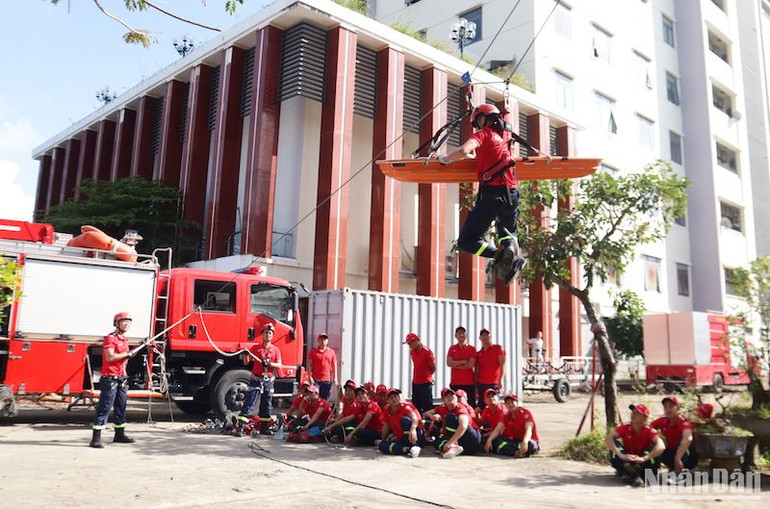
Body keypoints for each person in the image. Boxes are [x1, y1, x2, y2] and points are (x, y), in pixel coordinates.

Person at [437, 103, 525, 284]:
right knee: (507, 233)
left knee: (466, 241)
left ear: (483, 118)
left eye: (478, 121)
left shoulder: (483, 134)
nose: (477, 126)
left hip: (492, 195)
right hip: (513, 194)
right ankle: (509, 249)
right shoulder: (505, 139)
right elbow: (490, 156)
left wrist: (445, 159)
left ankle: (499, 255)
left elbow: (463, 150)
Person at [90, 312, 151, 448]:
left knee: (121, 408)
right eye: (124, 322)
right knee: (104, 408)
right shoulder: (110, 339)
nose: (126, 324)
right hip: (110, 378)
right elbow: (110, 357)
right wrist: (127, 354)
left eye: (128, 322)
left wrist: (141, 346)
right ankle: (96, 438)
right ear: (117, 323)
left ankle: (119, 434)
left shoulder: (124, 339)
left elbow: (127, 356)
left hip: (122, 378)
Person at [235, 322, 283, 437]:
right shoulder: (256, 348)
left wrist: (269, 363)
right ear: (262, 334)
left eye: (270, 333)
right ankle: (240, 427)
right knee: (250, 401)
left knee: (267, 404)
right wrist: (245, 354)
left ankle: (263, 428)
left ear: (273, 335)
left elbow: (279, 365)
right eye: (266, 333)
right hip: (256, 379)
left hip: (268, 380)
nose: (268, 335)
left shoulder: (275, 350)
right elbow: (246, 362)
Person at [605, 403, 665, 487]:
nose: (633, 414)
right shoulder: (625, 427)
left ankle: (630, 473)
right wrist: (621, 455)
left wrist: (644, 458)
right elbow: (608, 439)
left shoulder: (649, 430)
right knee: (614, 444)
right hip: (628, 459)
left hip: (643, 461)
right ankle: (632, 473)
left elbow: (661, 446)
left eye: (637, 413)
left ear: (644, 417)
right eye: (633, 412)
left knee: (654, 448)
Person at [424, 387, 482, 458]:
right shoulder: (442, 408)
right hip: (463, 445)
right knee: (436, 442)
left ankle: (451, 445)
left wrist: (450, 443)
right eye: (447, 396)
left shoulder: (461, 408)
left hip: (472, 439)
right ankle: (452, 449)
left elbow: (463, 426)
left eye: (452, 395)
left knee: (450, 417)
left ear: (456, 398)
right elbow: (425, 414)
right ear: (443, 400)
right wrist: (432, 416)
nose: (450, 397)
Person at [650, 396, 697, 473]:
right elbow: (647, 429)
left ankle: (680, 471)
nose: (668, 410)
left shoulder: (684, 422)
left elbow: (688, 438)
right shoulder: (663, 421)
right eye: (665, 407)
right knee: (654, 444)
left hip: (687, 457)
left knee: (682, 441)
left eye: (671, 406)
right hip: (671, 453)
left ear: (678, 408)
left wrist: (677, 459)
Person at [484, 393, 539, 458]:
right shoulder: (506, 416)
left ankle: (520, 450)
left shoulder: (525, 413)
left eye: (512, 402)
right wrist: (489, 440)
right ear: (506, 405)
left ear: (517, 402)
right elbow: (497, 429)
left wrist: (525, 441)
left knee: (531, 445)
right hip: (516, 442)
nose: (510, 404)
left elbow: (529, 430)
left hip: (528, 440)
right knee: (497, 441)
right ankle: (516, 453)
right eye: (507, 403)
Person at [379, 389, 424, 458]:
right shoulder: (386, 411)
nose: (394, 399)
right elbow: (385, 426)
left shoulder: (405, 407)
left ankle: (414, 446)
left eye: (395, 396)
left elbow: (414, 418)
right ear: (387, 401)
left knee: (405, 420)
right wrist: (383, 440)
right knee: (381, 445)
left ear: (399, 398)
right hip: (402, 439)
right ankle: (407, 449)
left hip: (415, 436)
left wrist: (413, 429)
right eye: (391, 398)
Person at [404, 333, 436, 415]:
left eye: (410, 343)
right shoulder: (412, 352)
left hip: (425, 383)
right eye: (408, 344)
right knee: (416, 406)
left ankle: (428, 426)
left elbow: (433, 368)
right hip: (415, 382)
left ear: (417, 341)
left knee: (427, 406)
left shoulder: (427, 352)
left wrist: (427, 376)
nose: (410, 346)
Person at [475, 328, 506, 409]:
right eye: (483, 335)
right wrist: (475, 386)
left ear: (490, 336)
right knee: (481, 406)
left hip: (494, 384)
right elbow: (477, 371)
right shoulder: (478, 354)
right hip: (481, 383)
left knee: (494, 405)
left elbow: (503, 364)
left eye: (487, 334)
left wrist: (500, 381)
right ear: (479, 338)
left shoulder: (498, 348)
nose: (485, 337)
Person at [447, 326, 477, 406]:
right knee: (455, 405)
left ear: (466, 335)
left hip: (469, 383)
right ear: (455, 335)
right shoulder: (452, 348)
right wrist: (464, 361)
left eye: (463, 333)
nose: (461, 335)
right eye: (459, 333)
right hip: (455, 382)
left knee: (470, 405)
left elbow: (471, 364)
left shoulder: (471, 349)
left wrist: (456, 364)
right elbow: (449, 363)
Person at [306, 332, 337, 400]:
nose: (323, 341)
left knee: (325, 399)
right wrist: (309, 377)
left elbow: (334, 365)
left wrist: (335, 378)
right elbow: (309, 364)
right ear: (318, 341)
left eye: (325, 339)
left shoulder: (331, 352)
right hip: (316, 379)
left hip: (327, 379)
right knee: (315, 398)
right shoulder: (313, 352)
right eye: (321, 339)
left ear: (327, 341)